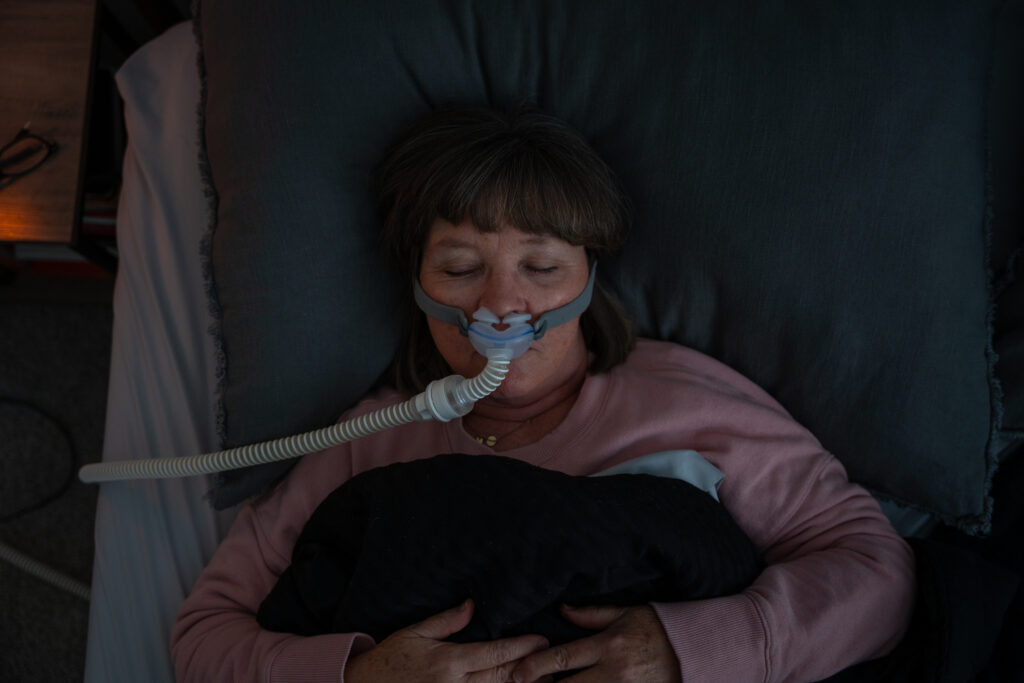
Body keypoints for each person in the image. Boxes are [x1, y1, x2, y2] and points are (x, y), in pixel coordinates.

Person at [171, 104, 915, 682]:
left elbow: (877, 572)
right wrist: (357, 674)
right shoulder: (365, 442)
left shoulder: (692, 407)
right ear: (417, 285)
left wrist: (692, 650)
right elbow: (204, 634)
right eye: (461, 268)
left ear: (589, 278)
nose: (503, 306)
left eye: (542, 268)